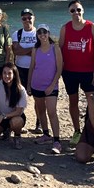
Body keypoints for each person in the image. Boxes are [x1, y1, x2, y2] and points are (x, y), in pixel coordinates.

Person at [59, 0, 94, 148]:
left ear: (83, 10)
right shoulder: (65, 28)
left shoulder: (92, 27)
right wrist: (58, 69)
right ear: (69, 12)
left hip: (88, 71)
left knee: (92, 103)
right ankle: (77, 131)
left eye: (78, 9)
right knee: (73, 101)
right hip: (70, 72)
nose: (76, 13)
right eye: (73, 10)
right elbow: (60, 49)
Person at [27, 24, 63, 154]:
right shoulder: (35, 49)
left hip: (51, 86)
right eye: (40, 32)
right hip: (36, 85)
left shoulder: (55, 48)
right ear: (37, 35)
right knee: (41, 111)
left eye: (45, 32)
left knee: (52, 112)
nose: (42, 35)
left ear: (48, 33)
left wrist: (53, 85)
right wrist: (29, 85)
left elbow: (59, 68)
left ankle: (57, 140)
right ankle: (46, 134)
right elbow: (32, 68)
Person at [0, 63, 27, 149]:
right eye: (4, 73)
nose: (6, 76)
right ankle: (6, 130)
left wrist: (3, 116)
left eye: (9, 73)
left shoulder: (21, 90)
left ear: (14, 75)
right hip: (0, 115)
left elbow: (18, 111)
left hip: (14, 116)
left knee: (16, 122)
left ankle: (17, 136)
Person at [12, 8, 39, 132]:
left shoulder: (40, 33)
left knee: (38, 98)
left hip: (36, 69)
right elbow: (16, 51)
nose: (27, 20)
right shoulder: (16, 34)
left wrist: (25, 50)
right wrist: (33, 50)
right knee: (18, 97)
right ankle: (18, 123)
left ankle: (39, 124)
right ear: (21, 20)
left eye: (29, 17)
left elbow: (40, 53)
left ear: (34, 18)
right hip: (20, 69)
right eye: (24, 18)